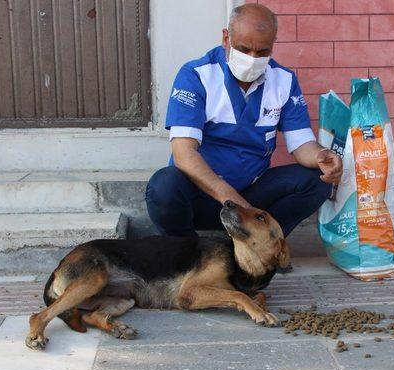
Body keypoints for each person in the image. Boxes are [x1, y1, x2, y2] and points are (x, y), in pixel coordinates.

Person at [145, 3, 342, 239]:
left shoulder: (284, 81)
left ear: (273, 44)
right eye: (244, 49)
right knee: (163, 187)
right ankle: (189, 253)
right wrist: (235, 203)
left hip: (251, 193)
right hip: (202, 196)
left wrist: (321, 157)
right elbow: (183, 154)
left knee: (316, 180)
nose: (252, 59)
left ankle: (263, 245)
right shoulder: (197, 75)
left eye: (262, 52)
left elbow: (302, 145)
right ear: (226, 38)